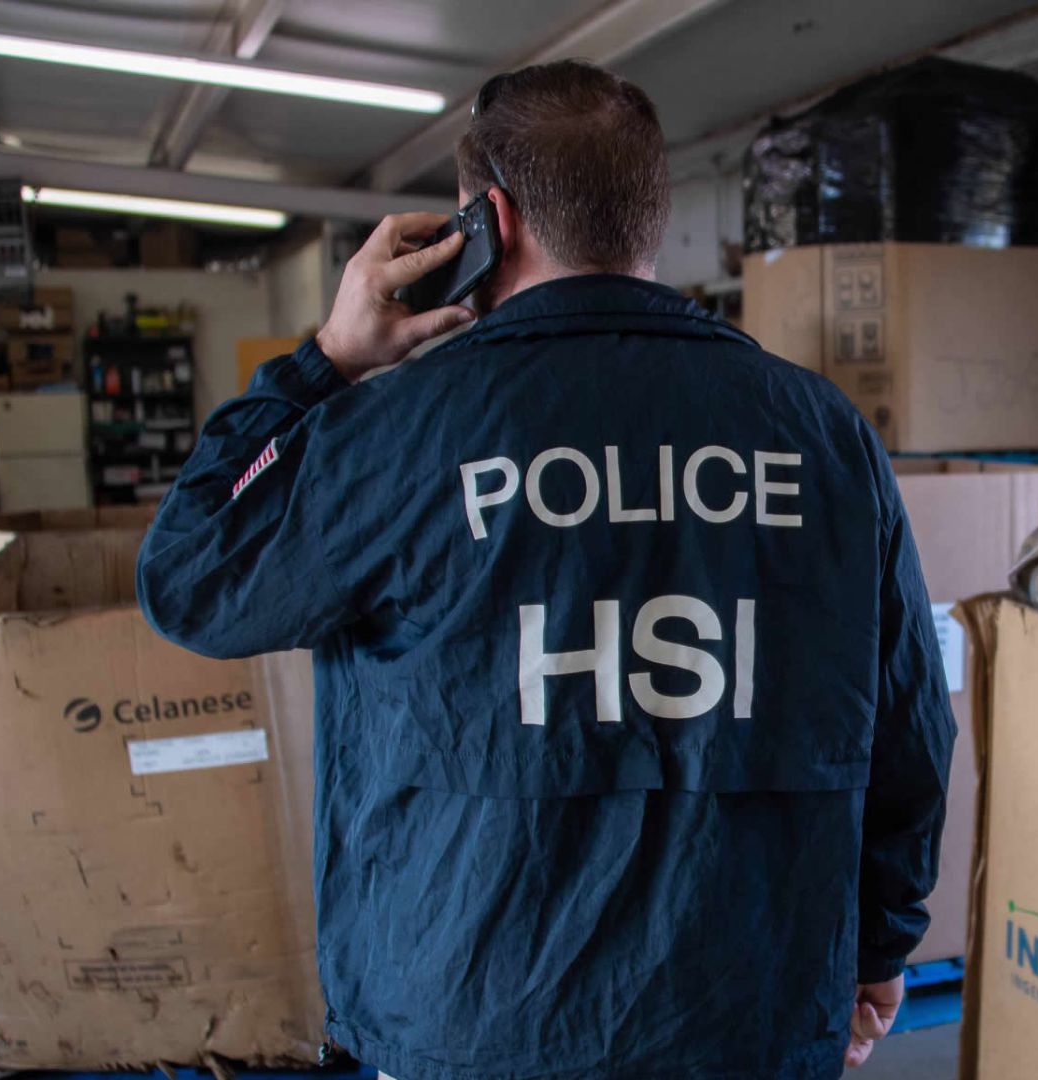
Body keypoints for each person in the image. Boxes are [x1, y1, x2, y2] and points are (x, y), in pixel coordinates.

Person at [137, 60, 953, 1079]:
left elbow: (190, 578)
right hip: (749, 1005)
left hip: (472, 1019)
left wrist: (325, 363)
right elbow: (911, 721)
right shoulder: (823, 431)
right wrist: (876, 945)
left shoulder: (394, 431)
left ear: (491, 221)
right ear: (647, 219)